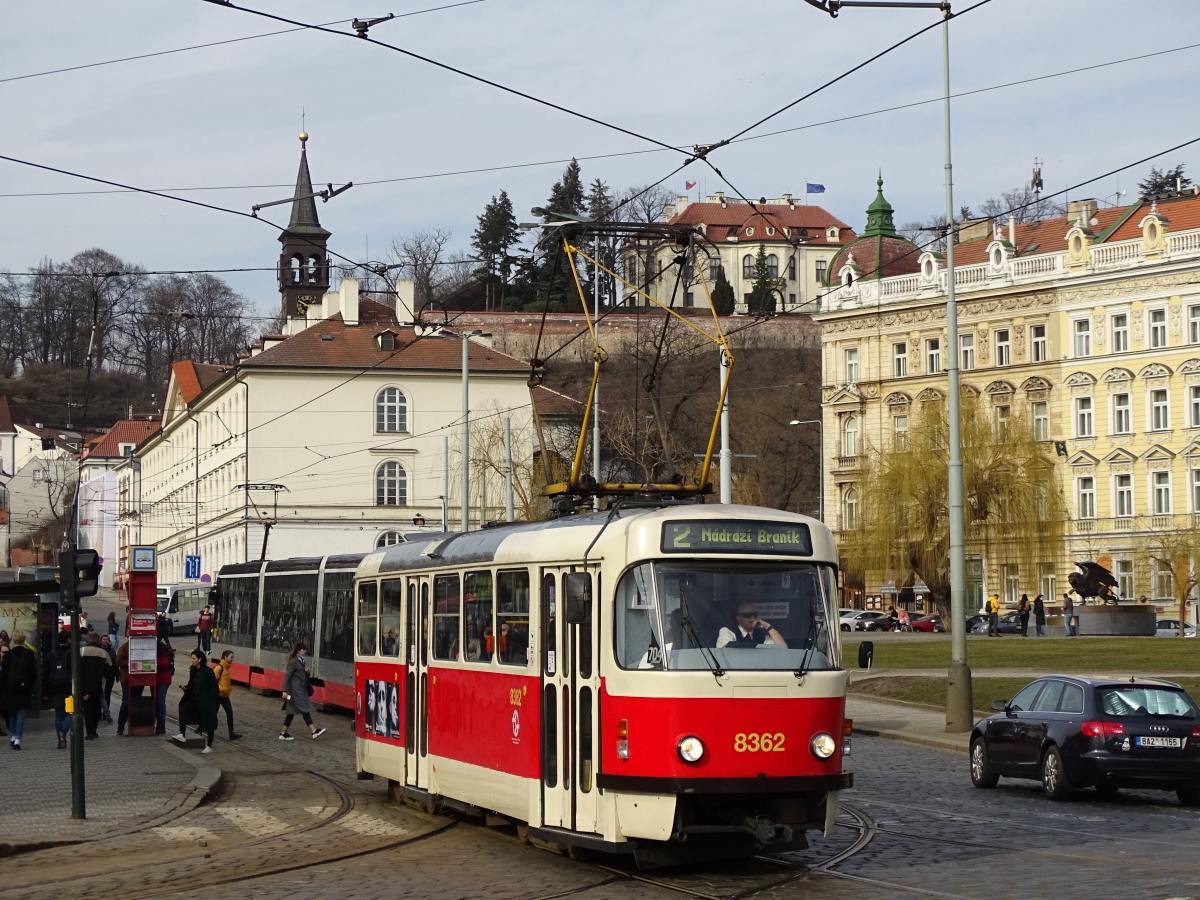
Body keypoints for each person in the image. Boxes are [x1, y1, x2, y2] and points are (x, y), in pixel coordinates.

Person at [173, 650, 219, 753]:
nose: (192, 660)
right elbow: (192, 683)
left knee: (208, 721)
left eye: (194, 659)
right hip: (194, 698)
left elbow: (213, 687)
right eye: (192, 658)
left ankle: (209, 745)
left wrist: (210, 699)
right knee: (183, 709)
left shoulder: (207, 671)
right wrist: (186, 688)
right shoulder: (193, 669)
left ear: (200, 659)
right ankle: (182, 734)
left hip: (205, 700)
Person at [0, 630, 38, 750]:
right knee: (21, 713)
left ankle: (12, 737)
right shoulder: (29, 654)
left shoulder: (8, 655)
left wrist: (4, 688)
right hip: (24, 688)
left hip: (10, 688)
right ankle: (17, 740)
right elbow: (33, 673)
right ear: (23, 639)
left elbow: (4, 675)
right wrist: (29, 685)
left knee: (12, 713)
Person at [279, 642, 325, 740]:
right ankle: (314, 731)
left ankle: (283, 733)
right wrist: (284, 690)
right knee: (304, 709)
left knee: (291, 712)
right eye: (303, 649)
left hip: (299, 690)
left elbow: (301, 675)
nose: (305, 651)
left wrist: (307, 672)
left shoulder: (300, 661)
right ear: (299, 651)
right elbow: (287, 676)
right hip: (295, 691)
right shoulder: (294, 662)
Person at [80, 632, 113, 740]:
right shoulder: (103, 653)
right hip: (98, 686)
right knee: (96, 709)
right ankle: (94, 731)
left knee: (88, 710)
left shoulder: (81, 651)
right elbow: (108, 671)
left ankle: (89, 732)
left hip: (84, 686)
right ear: (99, 640)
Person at [716, 602, 787, 649]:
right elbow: (727, 650)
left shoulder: (760, 636)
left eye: (755, 614)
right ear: (739, 619)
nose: (752, 618)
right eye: (748, 615)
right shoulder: (727, 631)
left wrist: (768, 627)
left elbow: (783, 649)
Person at [47, 640, 72, 748]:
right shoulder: (72, 654)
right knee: (70, 713)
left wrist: (45, 692)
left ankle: (60, 736)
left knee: (58, 713)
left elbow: (47, 674)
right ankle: (63, 733)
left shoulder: (51, 655)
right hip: (69, 689)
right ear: (68, 640)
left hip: (55, 689)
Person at [212, 650, 242, 740]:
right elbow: (213, 682)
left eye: (233, 657)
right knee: (214, 713)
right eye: (231, 657)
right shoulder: (219, 668)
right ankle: (207, 729)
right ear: (225, 657)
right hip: (218, 695)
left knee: (229, 712)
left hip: (225, 695)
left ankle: (231, 732)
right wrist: (220, 689)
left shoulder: (227, 668)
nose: (232, 659)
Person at [115, 638, 138, 736]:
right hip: (127, 679)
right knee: (126, 702)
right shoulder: (124, 647)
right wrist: (129, 664)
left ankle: (134, 723)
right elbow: (118, 661)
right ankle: (120, 726)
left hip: (139, 679)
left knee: (136, 700)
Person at [155, 635, 174, 735]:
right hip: (155, 679)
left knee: (160, 701)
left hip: (163, 679)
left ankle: (161, 724)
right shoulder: (161, 650)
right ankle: (159, 723)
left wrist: (154, 660)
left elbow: (165, 663)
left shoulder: (163, 651)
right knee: (156, 701)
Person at [100, 635, 117, 723]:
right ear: (101, 641)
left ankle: (105, 713)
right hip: (101, 676)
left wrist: (116, 674)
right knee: (101, 695)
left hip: (110, 676)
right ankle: (101, 712)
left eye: (107, 639)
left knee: (107, 694)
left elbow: (115, 663)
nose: (105, 641)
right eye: (104, 639)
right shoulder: (99, 650)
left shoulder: (112, 651)